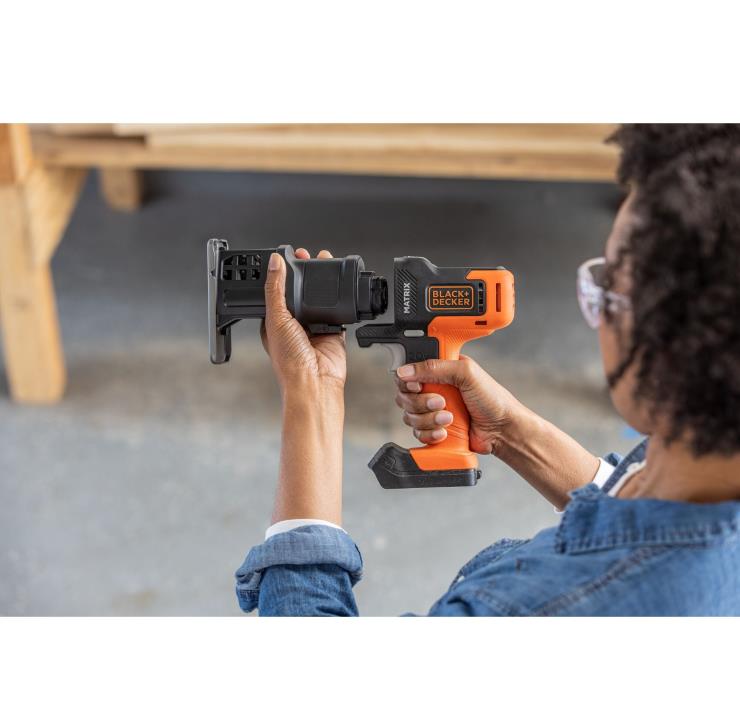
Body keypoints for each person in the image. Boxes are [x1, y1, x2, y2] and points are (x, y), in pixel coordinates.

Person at [235, 124, 740, 616]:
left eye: (605, 284)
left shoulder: (533, 611)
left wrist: (313, 398)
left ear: (666, 336)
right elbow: (639, 510)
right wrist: (511, 433)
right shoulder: (705, 462)